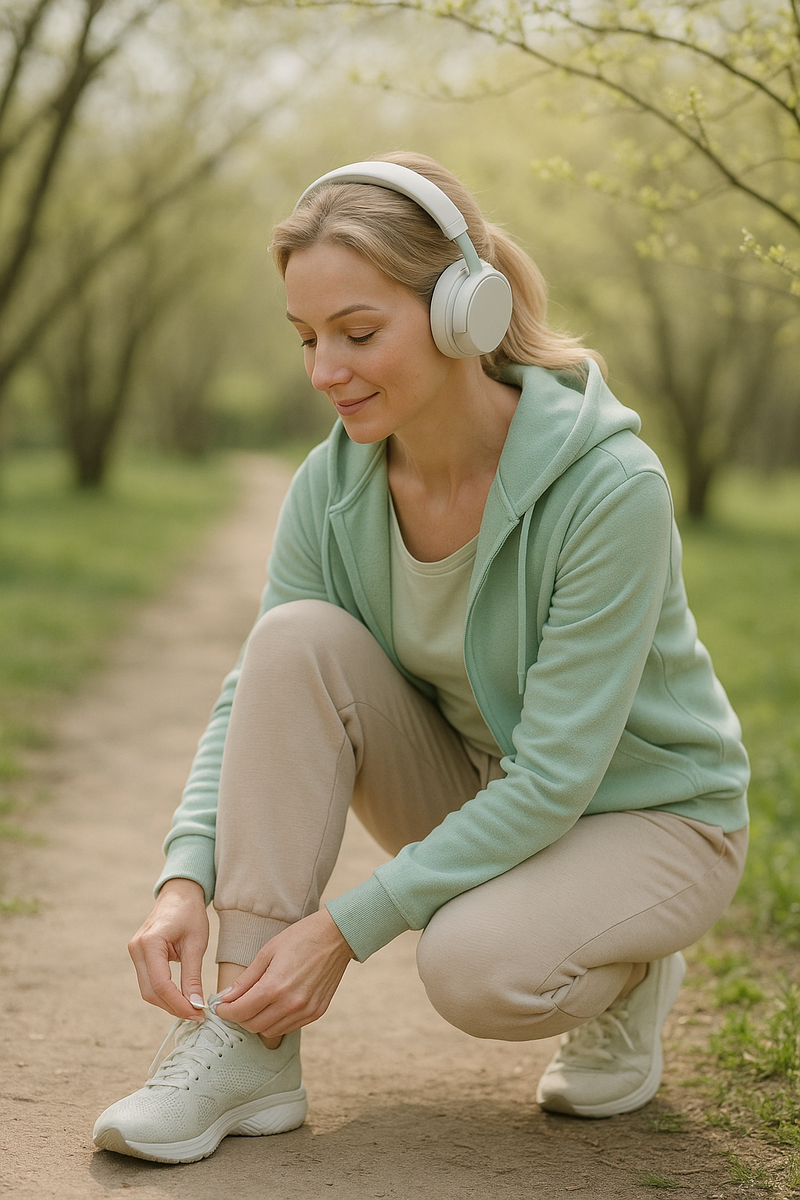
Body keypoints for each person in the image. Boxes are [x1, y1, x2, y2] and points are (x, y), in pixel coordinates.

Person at [93, 152, 749, 1164]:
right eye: (307, 339)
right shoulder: (334, 483)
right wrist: (184, 878)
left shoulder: (607, 486)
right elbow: (251, 701)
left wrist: (343, 928)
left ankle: (626, 959)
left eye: (357, 333)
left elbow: (559, 777)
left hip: (650, 817)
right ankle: (243, 1044)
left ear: (462, 312)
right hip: (487, 787)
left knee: (472, 970)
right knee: (290, 639)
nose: (323, 371)